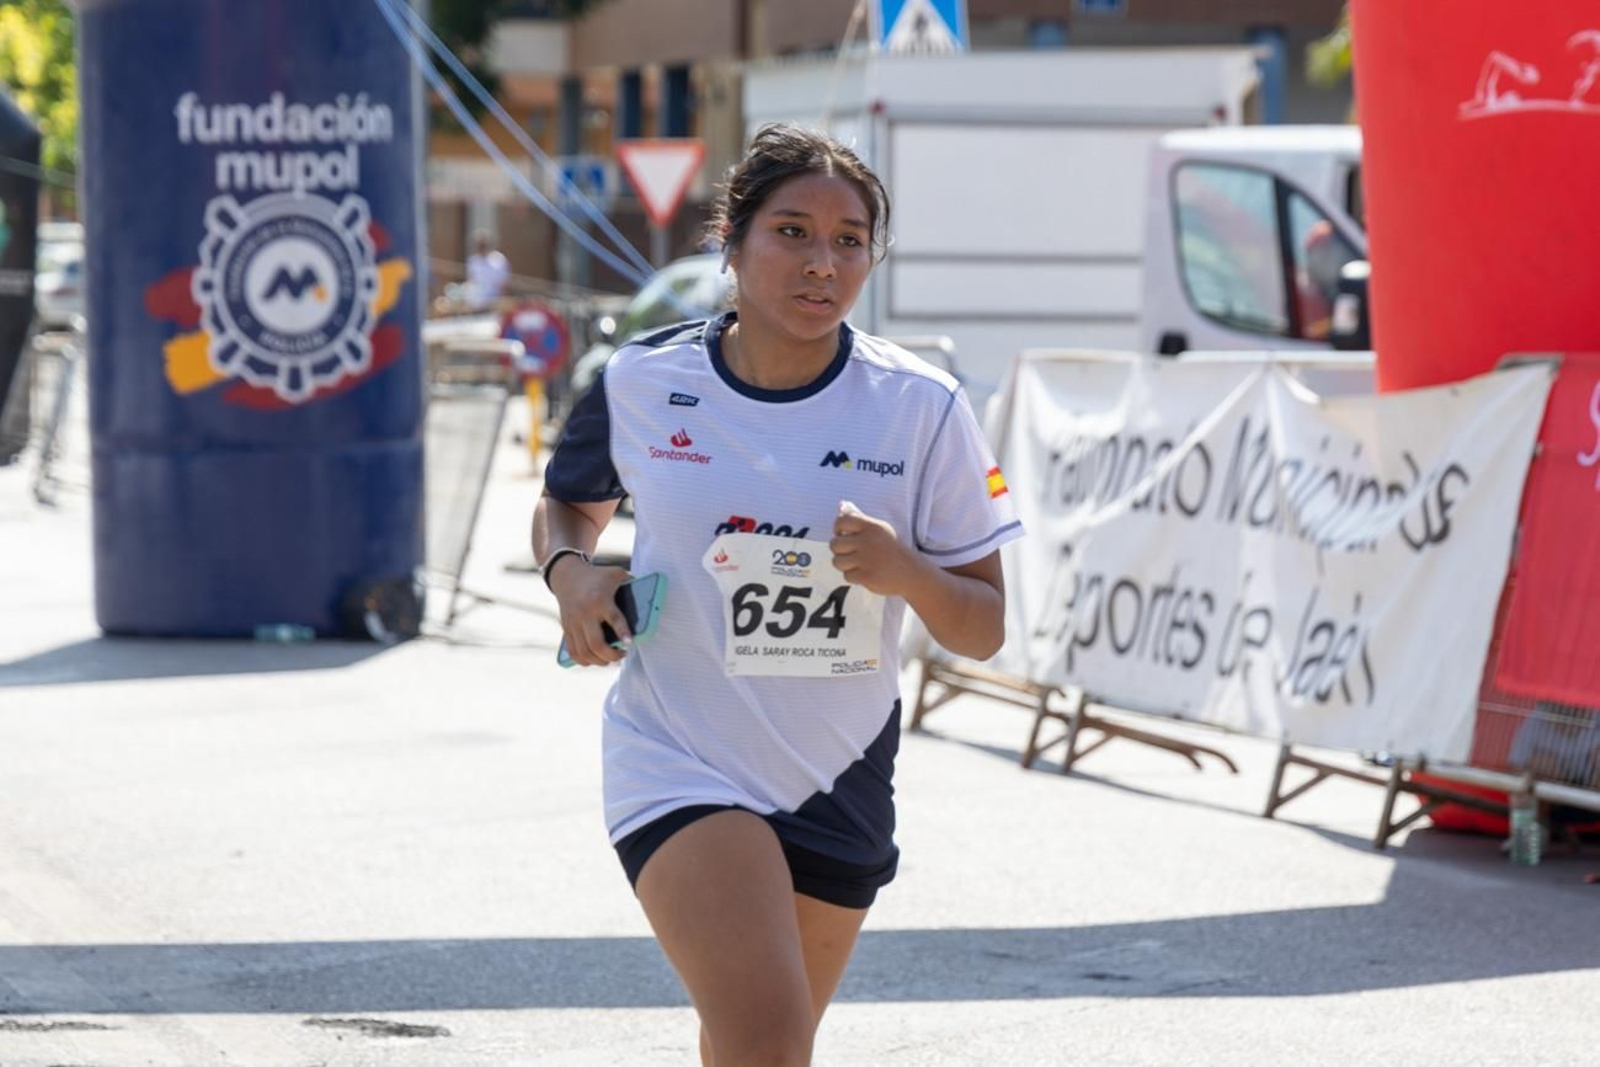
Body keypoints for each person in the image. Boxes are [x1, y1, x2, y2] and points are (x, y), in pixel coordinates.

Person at [531, 124, 1022, 1065]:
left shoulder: (923, 407)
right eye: (792, 232)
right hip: (679, 754)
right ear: (733, 241)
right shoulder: (643, 380)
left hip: (838, 769)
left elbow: (987, 627)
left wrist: (908, 572)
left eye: (849, 241)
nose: (822, 264)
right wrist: (571, 572)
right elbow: (567, 505)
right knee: (767, 1040)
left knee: (752, 1043)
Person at [464, 230, 510, 310]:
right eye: (479, 246)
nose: (481, 249)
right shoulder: (473, 261)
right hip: (475, 304)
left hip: (493, 303)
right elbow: (470, 280)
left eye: (483, 246)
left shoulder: (499, 260)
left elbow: (503, 285)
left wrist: (501, 303)